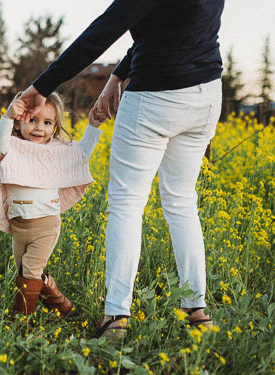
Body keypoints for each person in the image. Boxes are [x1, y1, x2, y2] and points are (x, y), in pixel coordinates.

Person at [18, 0, 224, 339]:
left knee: (127, 204)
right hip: (205, 95)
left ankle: (117, 317)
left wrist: (40, 88)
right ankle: (196, 310)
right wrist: (118, 74)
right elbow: (173, 27)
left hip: (155, 96)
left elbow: (103, 31)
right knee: (182, 202)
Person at [0, 92, 104, 317]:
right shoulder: (10, 148)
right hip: (19, 227)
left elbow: (81, 155)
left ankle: (21, 319)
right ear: (19, 121)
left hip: (46, 225)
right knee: (26, 273)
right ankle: (62, 305)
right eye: (32, 120)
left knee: (30, 272)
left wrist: (93, 125)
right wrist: (7, 117)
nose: (39, 128)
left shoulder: (55, 152)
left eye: (47, 123)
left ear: (54, 126)